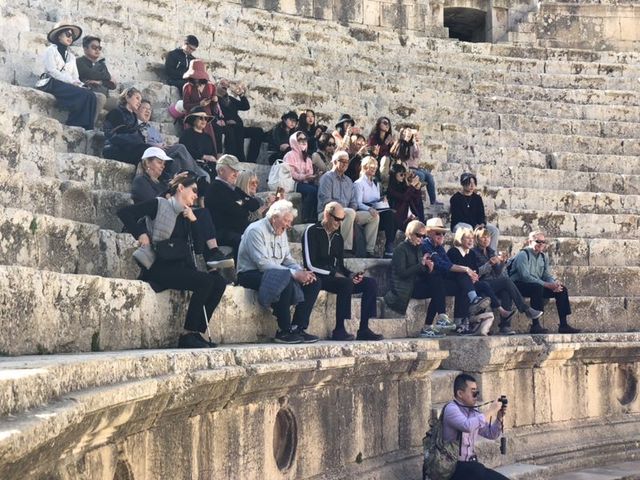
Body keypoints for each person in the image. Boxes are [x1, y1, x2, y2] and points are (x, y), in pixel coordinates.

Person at [117, 172, 227, 348]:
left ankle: (197, 331)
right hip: (159, 266)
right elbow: (125, 213)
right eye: (194, 190)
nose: (196, 195)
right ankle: (187, 334)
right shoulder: (159, 204)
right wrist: (141, 233)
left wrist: (194, 221)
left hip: (181, 266)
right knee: (205, 282)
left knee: (219, 282)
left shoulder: (187, 215)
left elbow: (199, 248)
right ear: (181, 188)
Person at [130, 150, 235, 271]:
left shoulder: (162, 182)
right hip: (154, 220)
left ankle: (213, 258)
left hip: (170, 216)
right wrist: (172, 186)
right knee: (201, 215)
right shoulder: (140, 181)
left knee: (199, 216)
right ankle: (212, 256)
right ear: (147, 163)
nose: (163, 166)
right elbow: (153, 204)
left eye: (164, 163)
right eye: (159, 162)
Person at [237, 200, 321, 344]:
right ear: (274, 217)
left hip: (274, 271)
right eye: (286, 221)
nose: (289, 225)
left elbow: (287, 259)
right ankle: (284, 330)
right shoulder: (255, 230)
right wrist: (294, 274)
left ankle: (298, 327)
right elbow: (263, 264)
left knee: (314, 281)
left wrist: (301, 271)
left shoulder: (281, 231)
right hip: (250, 274)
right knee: (285, 278)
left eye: (290, 222)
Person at [302, 202, 383, 341]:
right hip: (318, 276)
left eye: (342, 220)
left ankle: (364, 328)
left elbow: (339, 265)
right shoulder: (311, 231)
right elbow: (310, 264)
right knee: (345, 283)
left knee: (370, 283)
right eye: (337, 219)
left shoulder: (338, 237)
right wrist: (336, 274)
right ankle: (339, 329)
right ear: (327, 215)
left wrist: (351, 274)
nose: (339, 223)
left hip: (335, 277)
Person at [384, 220, 455, 338]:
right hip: (404, 288)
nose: (421, 239)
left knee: (439, 286)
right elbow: (402, 273)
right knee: (437, 287)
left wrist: (429, 268)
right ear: (410, 233)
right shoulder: (400, 249)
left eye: (423, 236)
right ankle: (436, 321)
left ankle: (432, 324)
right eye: (419, 235)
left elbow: (421, 271)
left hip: (415, 284)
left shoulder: (419, 247)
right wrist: (421, 265)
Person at [422, 218, 490, 329]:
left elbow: (447, 264)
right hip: (425, 282)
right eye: (438, 233)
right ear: (429, 233)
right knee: (453, 280)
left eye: (443, 233)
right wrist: (466, 269)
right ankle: (435, 322)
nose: (442, 236)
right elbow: (442, 265)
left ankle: (459, 323)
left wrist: (469, 273)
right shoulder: (425, 245)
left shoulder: (440, 248)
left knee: (462, 282)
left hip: (438, 281)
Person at [473, 227, 544, 334]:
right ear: (477, 239)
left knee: (506, 291)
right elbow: (476, 273)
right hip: (482, 284)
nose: (486, 239)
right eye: (483, 237)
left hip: (493, 283)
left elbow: (497, 272)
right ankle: (525, 309)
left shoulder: (491, 252)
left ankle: (505, 327)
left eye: (487, 237)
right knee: (506, 281)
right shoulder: (473, 253)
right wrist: (489, 264)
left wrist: (502, 262)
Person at [447, 228, 518, 333]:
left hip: (470, 283)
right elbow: (452, 270)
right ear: (460, 239)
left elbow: (475, 270)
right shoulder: (453, 251)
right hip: (455, 282)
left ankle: (501, 311)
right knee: (465, 278)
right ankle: (474, 302)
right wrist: (472, 274)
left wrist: (502, 262)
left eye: (471, 238)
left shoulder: (471, 253)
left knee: (484, 285)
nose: (470, 240)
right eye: (467, 238)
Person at [509, 231, 581, 334]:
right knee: (537, 288)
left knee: (562, 290)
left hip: (536, 284)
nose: (541, 244)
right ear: (530, 241)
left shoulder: (543, 257)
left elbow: (546, 275)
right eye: (538, 241)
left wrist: (554, 284)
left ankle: (564, 325)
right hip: (518, 285)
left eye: (543, 242)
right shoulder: (523, 255)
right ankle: (535, 325)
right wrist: (547, 285)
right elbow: (525, 277)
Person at [443, 373, 510, 480]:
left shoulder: (473, 410)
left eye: (477, 392)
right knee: (478, 471)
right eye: (473, 392)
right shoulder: (451, 409)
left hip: (471, 466)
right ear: (460, 393)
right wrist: (491, 410)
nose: (476, 395)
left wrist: (499, 417)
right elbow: (467, 426)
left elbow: (491, 434)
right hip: (454, 467)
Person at [318, 150, 380, 257]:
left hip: (348, 213)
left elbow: (354, 202)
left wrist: (353, 211)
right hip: (327, 213)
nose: (345, 164)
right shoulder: (327, 178)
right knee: (350, 212)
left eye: (347, 162)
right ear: (334, 162)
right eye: (342, 161)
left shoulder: (349, 181)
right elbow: (326, 202)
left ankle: (369, 251)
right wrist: (345, 211)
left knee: (373, 216)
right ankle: (344, 249)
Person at [38, 22, 97, 130]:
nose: (71, 38)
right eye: (68, 34)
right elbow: (52, 71)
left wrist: (80, 84)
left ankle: (87, 127)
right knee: (81, 94)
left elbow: (75, 76)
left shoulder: (71, 56)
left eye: (72, 36)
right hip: (51, 82)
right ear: (59, 35)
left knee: (91, 95)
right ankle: (74, 123)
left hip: (66, 83)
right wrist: (71, 81)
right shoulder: (50, 51)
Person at [136, 100, 209, 181]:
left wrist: (164, 145)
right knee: (180, 147)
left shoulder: (152, 128)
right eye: (144, 108)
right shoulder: (134, 125)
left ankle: (172, 183)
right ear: (137, 109)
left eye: (149, 109)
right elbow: (139, 143)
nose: (148, 111)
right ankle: (196, 174)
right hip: (151, 152)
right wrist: (154, 146)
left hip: (162, 151)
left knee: (176, 161)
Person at [204, 155, 260, 257]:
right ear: (221, 171)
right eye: (233, 170)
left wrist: (242, 202)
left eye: (237, 171)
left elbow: (254, 204)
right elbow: (238, 212)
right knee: (247, 240)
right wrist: (244, 203)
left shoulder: (233, 188)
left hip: (238, 229)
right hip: (224, 232)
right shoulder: (215, 189)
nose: (236, 174)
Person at [354, 156, 396, 258]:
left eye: (375, 166)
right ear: (364, 167)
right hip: (365, 211)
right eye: (371, 165)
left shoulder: (376, 184)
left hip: (377, 211)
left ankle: (389, 245)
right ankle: (375, 250)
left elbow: (376, 200)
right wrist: (369, 209)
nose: (374, 168)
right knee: (388, 216)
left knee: (392, 214)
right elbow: (358, 203)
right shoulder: (358, 184)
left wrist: (382, 200)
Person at [389, 127, 441, 206]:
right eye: (407, 134)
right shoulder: (400, 145)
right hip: (409, 168)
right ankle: (415, 198)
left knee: (429, 176)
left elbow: (417, 155)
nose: (408, 136)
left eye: (410, 135)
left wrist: (415, 142)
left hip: (415, 168)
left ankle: (433, 200)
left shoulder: (412, 145)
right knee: (421, 176)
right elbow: (399, 153)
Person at [217, 78, 263, 163]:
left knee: (258, 132)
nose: (225, 86)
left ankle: (251, 160)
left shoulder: (230, 99)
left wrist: (241, 95)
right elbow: (214, 114)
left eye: (227, 85)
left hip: (238, 126)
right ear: (217, 85)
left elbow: (245, 106)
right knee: (233, 130)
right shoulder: (215, 100)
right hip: (227, 127)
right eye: (222, 84)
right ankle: (237, 159)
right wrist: (226, 121)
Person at [450, 172, 500, 251]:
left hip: (477, 225)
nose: (472, 186)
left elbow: (481, 214)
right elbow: (459, 217)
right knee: (469, 229)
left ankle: (491, 253)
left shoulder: (477, 198)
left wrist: (482, 224)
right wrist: (475, 225)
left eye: (473, 183)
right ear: (463, 184)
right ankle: (473, 253)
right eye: (469, 183)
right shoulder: (455, 198)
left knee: (494, 230)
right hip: (459, 224)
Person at [103, 87, 149, 164]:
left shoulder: (134, 117)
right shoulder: (115, 112)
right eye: (137, 98)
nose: (139, 103)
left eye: (140, 101)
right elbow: (118, 134)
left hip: (129, 147)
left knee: (150, 151)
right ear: (127, 97)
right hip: (113, 148)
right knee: (146, 150)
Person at [76, 35, 118, 119]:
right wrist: (108, 76)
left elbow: (112, 85)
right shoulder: (79, 61)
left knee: (124, 104)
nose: (97, 50)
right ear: (85, 49)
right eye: (94, 47)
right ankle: (89, 127)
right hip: (90, 94)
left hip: (106, 96)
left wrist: (100, 82)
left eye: (99, 48)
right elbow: (90, 73)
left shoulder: (101, 65)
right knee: (100, 99)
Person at [182, 60, 220, 153]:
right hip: (193, 116)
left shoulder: (211, 87)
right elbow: (185, 105)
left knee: (207, 139)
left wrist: (215, 101)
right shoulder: (187, 87)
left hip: (205, 116)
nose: (196, 79)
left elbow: (214, 108)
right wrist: (199, 104)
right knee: (192, 140)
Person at [283, 131, 318, 222]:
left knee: (319, 189)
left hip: (305, 183)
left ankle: (315, 216)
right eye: (300, 140)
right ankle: (305, 217)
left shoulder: (307, 157)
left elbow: (309, 172)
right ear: (294, 141)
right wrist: (304, 177)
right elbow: (291, 173)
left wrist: (313, 176)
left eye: (305, 139)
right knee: (312, 191)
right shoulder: (289, 155)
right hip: (293, 183)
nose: (303, 142)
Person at [387, 163, 425, 228]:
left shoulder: (404, 186)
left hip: (409, 217)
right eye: (401, 174)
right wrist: (412, 185)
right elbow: (404, 197)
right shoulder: (390, 189)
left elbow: (417, 200)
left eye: (404, 175)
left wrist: (417, 189)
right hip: (398, 218)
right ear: (394, 174)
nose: (403, 177)